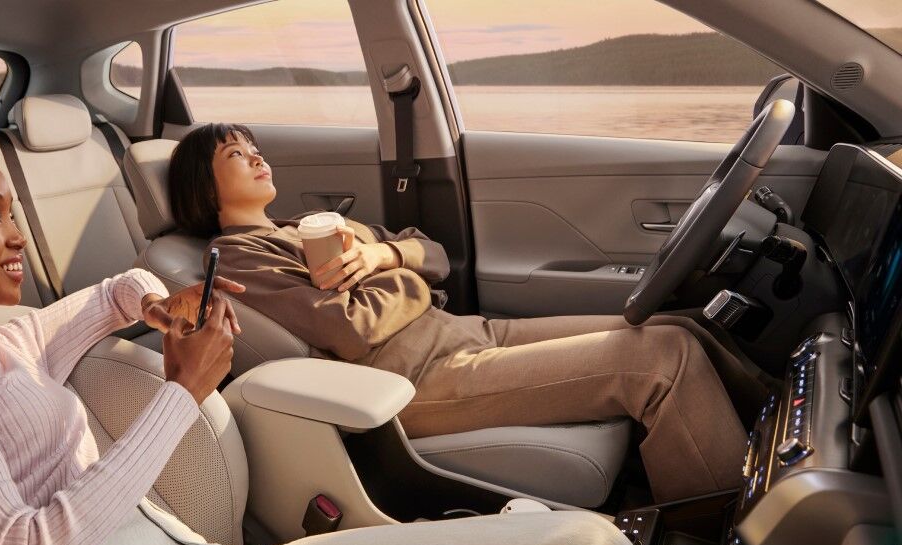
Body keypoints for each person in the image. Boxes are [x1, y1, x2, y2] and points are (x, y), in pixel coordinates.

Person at [0, 95, 684, 545]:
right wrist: (178, 395)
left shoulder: (11, 339)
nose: (16, 236)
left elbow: (110, 293)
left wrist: (164, 303)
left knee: (584, 541)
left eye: (13, 211)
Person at [170, 123, 770, 504]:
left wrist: (385, 253)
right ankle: (734, 533)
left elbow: (431, 252)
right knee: (658, 360)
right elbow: (351, 328)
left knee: (671, 324)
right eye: (234, 153)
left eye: (254, 147)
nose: (255, 157)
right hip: (420, 379)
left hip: (465, 335)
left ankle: (783, 447)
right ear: (205, 183)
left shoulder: (311, 228)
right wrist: (410, 280)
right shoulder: (238, 257)